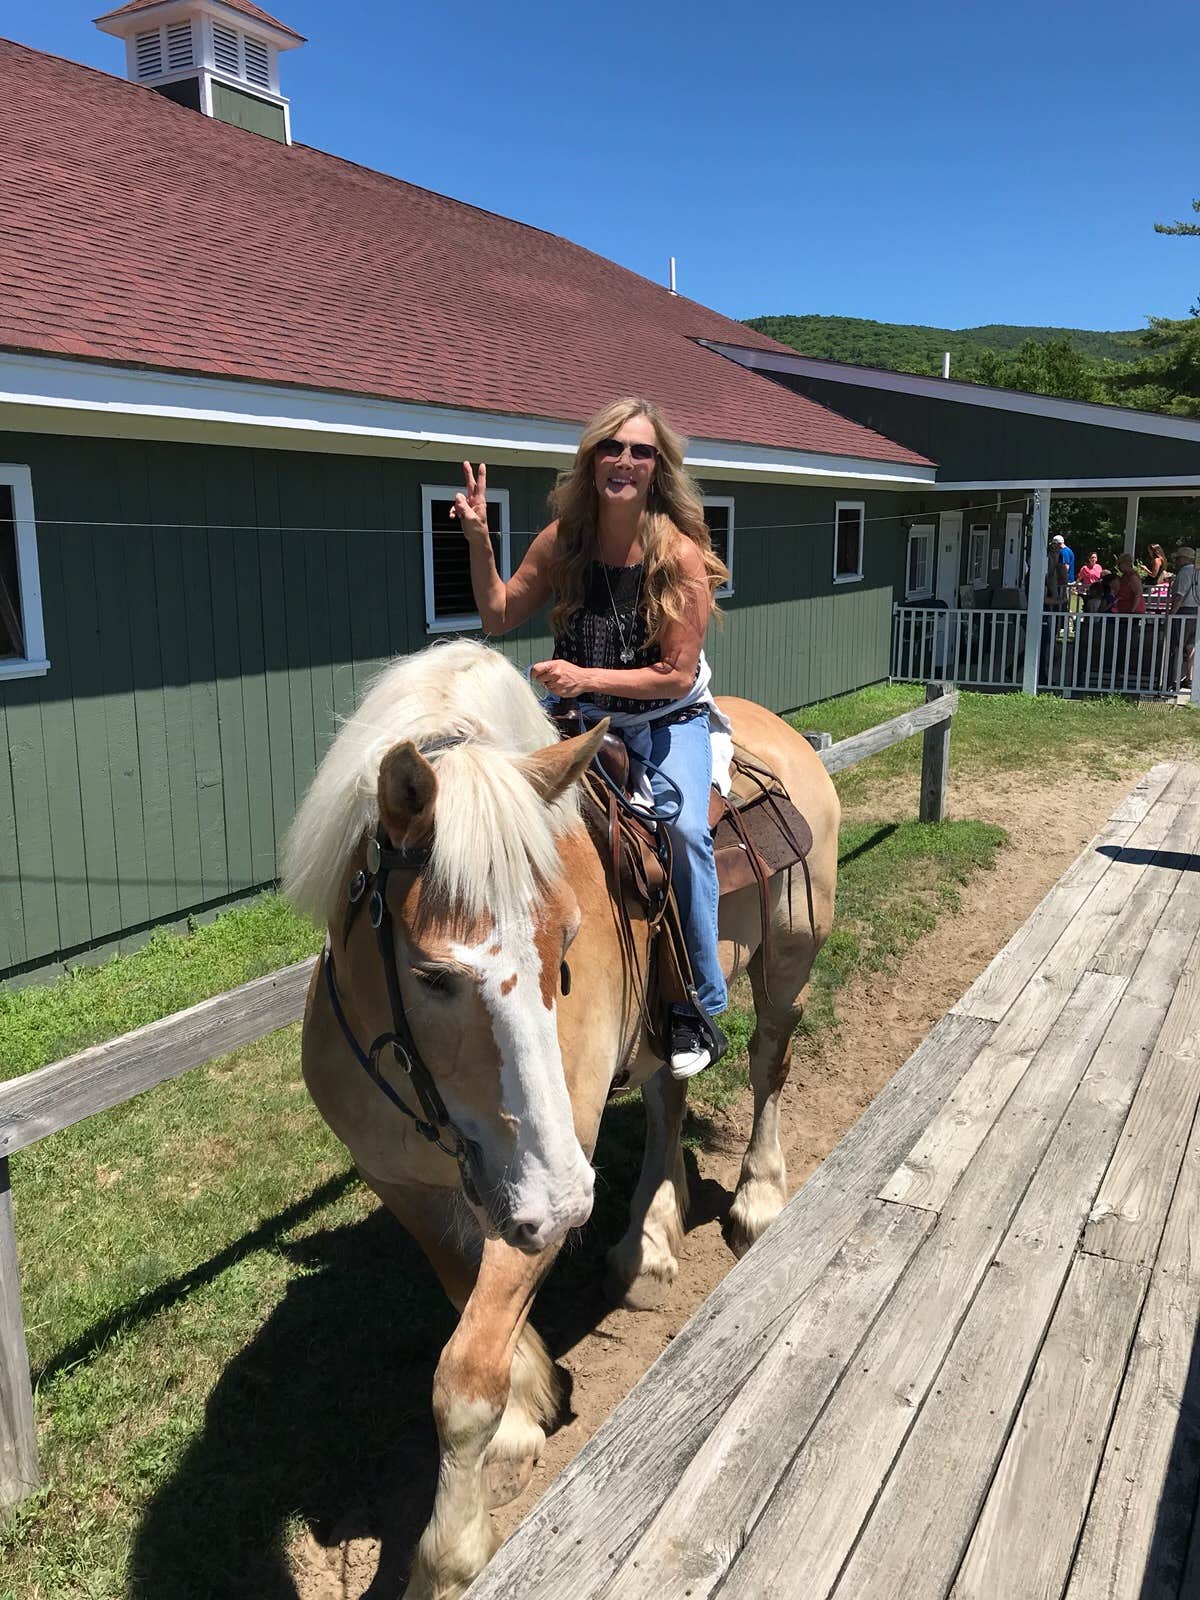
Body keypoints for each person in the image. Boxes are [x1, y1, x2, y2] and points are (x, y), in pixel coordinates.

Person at [452, 397, 731, 1078]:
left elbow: (674, 675)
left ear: (657, 467)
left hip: (665, 722)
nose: (625, 462)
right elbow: (495, 614)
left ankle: (698, 1000)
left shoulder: (681, 556)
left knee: (687, 832)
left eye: (640, 451)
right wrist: (479, 538)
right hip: (576, 723)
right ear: (591, 459)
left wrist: (581, 674)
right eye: (612, 447)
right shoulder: (561, 542)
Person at [1168, 545, 1198, 690]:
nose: (1177, 561)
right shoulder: (1197, 572)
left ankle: (1175, 678)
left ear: (1184, 559)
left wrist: (1172, 613)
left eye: (1179, 558)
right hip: (1196, 612)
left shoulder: (1185, 572)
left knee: (1178, 645)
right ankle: (1190, 678)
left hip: (1184, 611)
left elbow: (1180, 594)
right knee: (1191, 646)